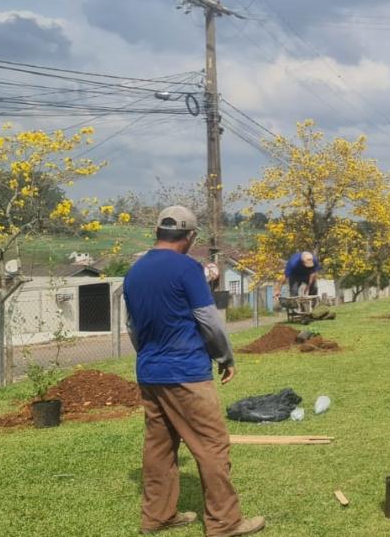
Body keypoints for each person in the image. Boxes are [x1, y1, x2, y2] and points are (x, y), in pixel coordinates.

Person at [124, 205, 265, 537]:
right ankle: (225, 524)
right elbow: (209, 321)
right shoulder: (188, 268)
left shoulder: (135, 271)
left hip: (150, 372)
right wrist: (225, 358)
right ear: (189, 236)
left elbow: (132, 327)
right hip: (186, 373)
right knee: (212, 445)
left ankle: (157, 516)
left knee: (158, 447)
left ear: (158, 232)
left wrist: (150, 357)